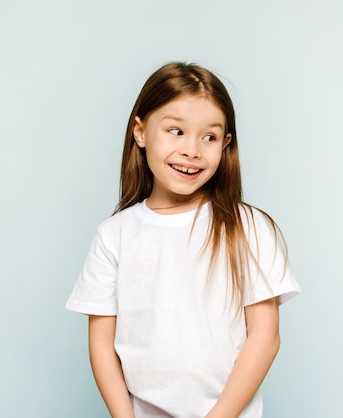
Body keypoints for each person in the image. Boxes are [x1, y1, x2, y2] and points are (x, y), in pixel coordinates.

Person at [65, 62, 300, 418]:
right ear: (140, 132)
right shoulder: (114, 235)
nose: (192, 150)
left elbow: (265, 337)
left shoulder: (248, 227)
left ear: (226, 144)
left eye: (209, 137)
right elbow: (101, 344)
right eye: (176, 131)